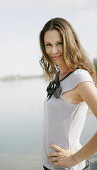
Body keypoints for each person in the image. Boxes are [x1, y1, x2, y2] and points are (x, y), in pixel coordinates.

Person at [39, 17, 97, 170]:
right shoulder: (59, 76)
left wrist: (73, 159)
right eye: (48, 45)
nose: (53, 50)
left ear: (70, 42)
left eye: (59, 43)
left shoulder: (79, 77)